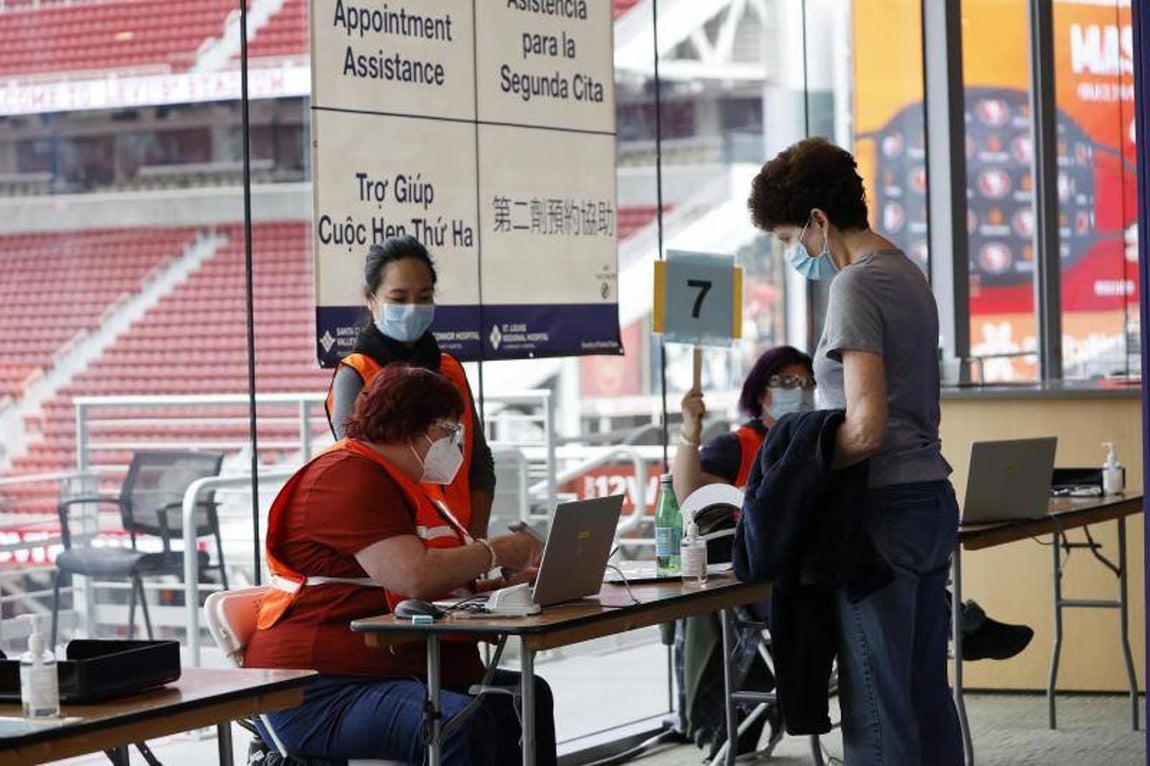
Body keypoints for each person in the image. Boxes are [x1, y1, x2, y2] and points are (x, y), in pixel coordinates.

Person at [747, 136, 963, 764]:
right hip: (929, 499)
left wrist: (793, 468)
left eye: (791, 239)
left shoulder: (854, 286)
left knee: (875, 708)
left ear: (818, 220)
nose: (795, 253)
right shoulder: (908, 275)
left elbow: (865, 428)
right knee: (925, 696)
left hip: (880, 514)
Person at [246, 365, 556, 764]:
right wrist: (499, 551)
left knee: (526, 697)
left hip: (387, 668)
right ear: (414, 428)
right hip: (317, 686)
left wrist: (507, 591)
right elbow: (412, 577)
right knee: (458, 723)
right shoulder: (347, 476)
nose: (455, 443)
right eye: (449, 430)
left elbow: (432, 590)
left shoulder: (403, 484)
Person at [326, 236, 494, 539]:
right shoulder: (356, 375)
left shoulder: (451, 370)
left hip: (461, 546)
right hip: (400, 551)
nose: (412, 308)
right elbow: (360, 478)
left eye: (424, 297)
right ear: (371, 299)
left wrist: (477, 546)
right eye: (399, 298)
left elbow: (479, 464)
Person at [673, 345, 815, 502]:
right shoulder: (735, 447)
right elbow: (691, 499)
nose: (800, 392)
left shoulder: (820, 441)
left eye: (807, 383)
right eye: (787, 382)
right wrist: (689, 435)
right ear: (760, 393)